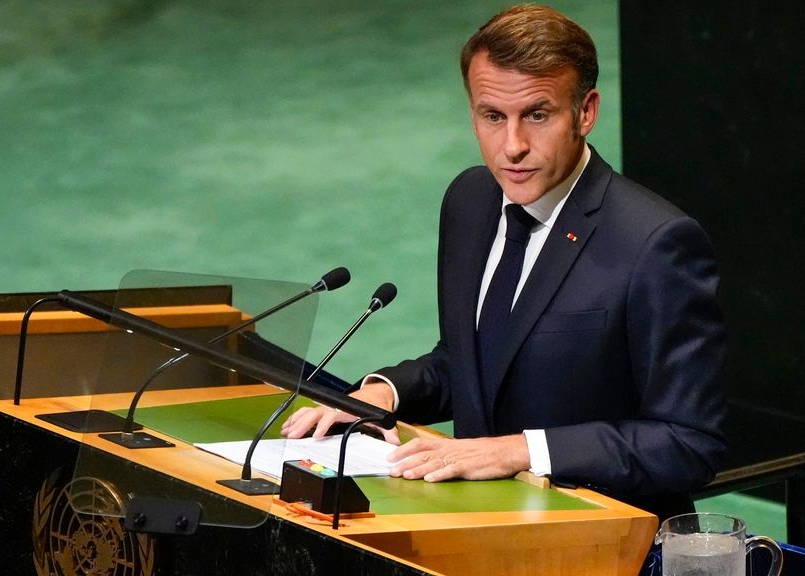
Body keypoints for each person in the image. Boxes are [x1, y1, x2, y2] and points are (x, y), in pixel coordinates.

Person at [282, 4, 726, 521]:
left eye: (537, 115)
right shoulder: (470, 200)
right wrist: (384, 394)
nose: (512, 147)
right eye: (493, 116)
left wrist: (520, 450)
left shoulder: (655, 243)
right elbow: (473, 362)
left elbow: (688, 442)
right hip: (475, 524)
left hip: (598, 534)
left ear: (585, 112)